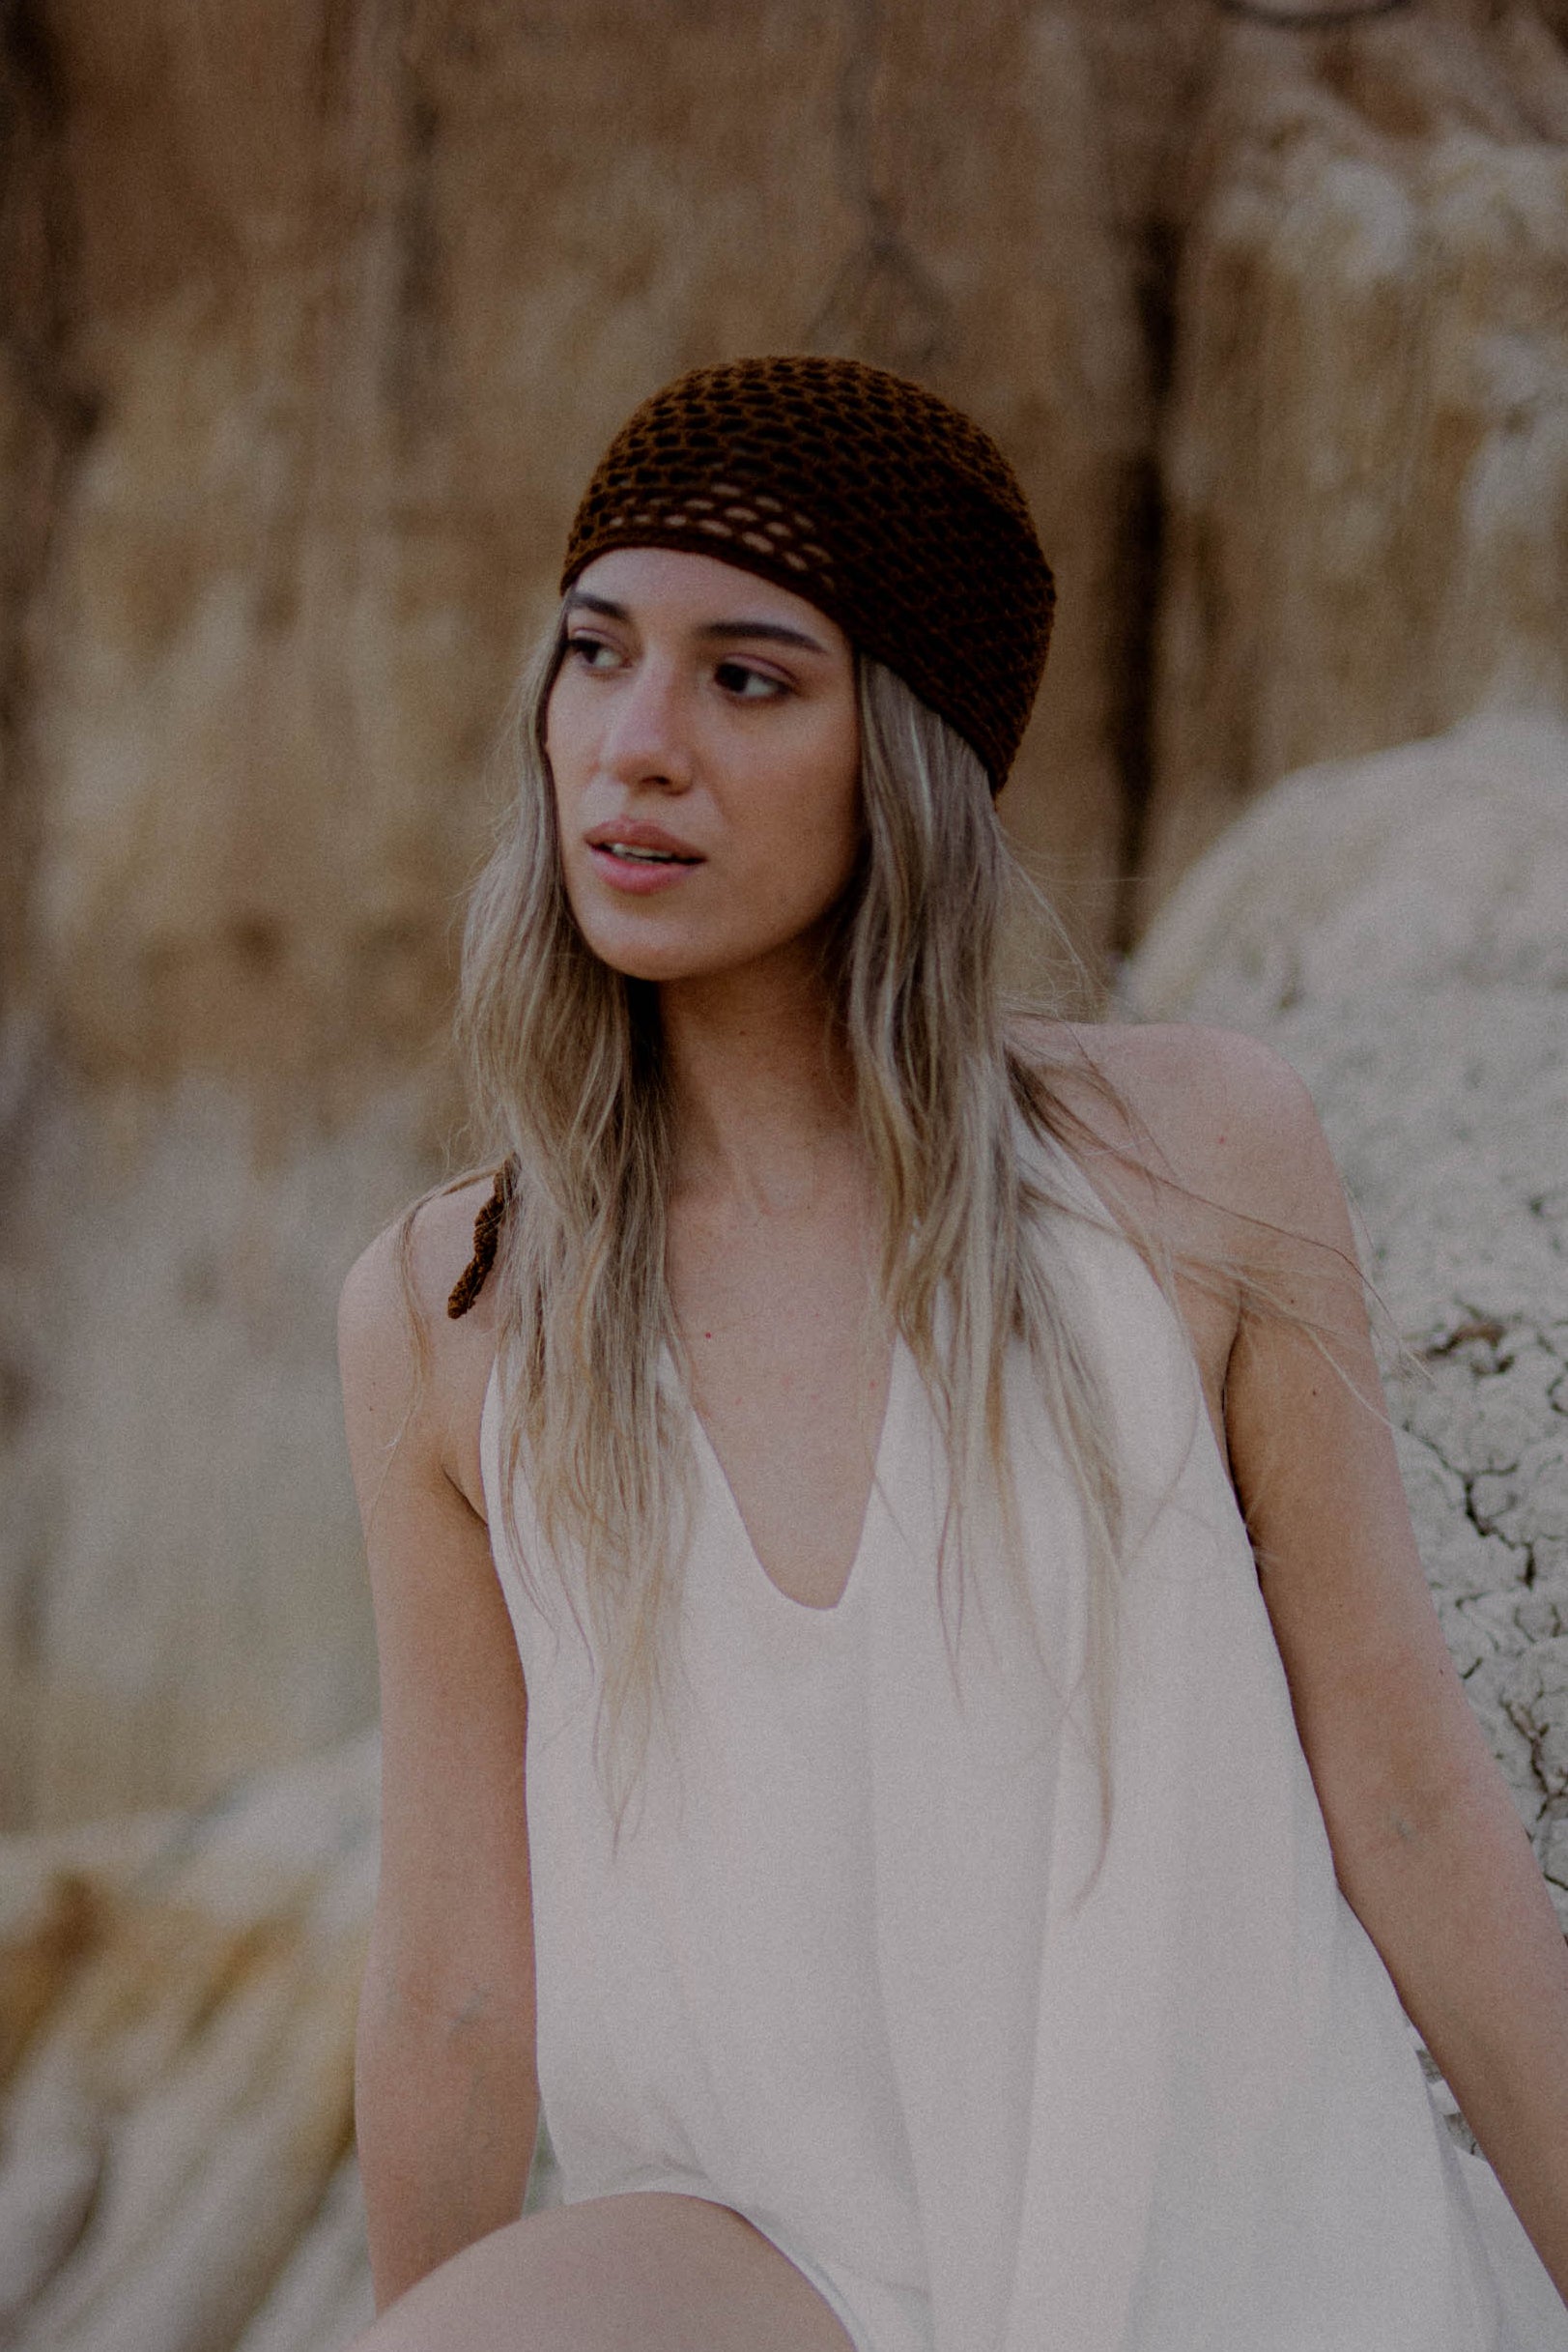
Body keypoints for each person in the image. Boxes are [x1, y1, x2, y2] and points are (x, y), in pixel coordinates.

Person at [338, 356, 1568, 2352]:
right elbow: (456, 1982)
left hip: (1223, 2248)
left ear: (905, 757)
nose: (635, 745)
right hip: (778, 2267)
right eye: (596, 652)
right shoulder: (455, 1305)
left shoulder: (1190, 1163)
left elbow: (1412, 1798)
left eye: (748, 678)